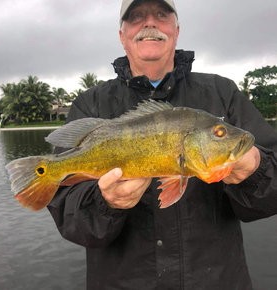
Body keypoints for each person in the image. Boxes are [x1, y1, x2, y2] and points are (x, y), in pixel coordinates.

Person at [47, 0, 277, 289]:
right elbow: (68, 216)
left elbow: (272, 196)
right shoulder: (90, 104)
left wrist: (255, 170)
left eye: (161, 15)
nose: (150, 23)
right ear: (122, 36)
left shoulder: (223, 93)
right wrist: (106, 204)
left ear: (177, 30)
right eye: (137, 16)